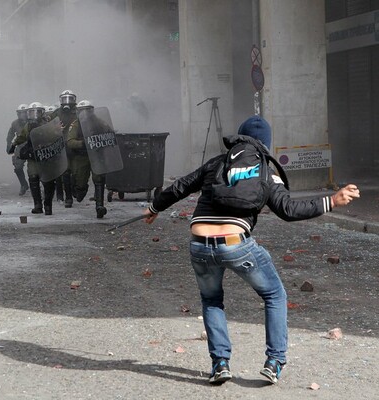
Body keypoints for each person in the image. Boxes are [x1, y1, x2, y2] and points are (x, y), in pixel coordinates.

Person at [143, 115, 360, 385]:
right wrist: (332, 200)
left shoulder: (217, 163)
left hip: (198, 243)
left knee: (212, 300)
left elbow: (179, 187)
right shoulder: (265, 171)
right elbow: (288, 210)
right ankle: (275, 361)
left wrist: (154, 208)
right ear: (266, 144)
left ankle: (220, 364)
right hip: (235, 243)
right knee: (275, 295)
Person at [11, 102, 57, 215]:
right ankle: (37, 205)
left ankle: (48, 205)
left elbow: (56, 136)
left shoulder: (48, 123)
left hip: (46, 156)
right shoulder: (29, 125)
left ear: (42, 112)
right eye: (32, 112)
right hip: (33, 156)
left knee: (48, 181)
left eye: (37, 112)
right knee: (33, 178)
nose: (34, 115)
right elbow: (21, 136)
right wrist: (14, 144)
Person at [69, 99, 108, 219]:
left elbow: (108, 130)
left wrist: (109, 136)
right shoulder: (76, 124)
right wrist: (82, 143)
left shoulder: (98, 122)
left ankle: (99, 207)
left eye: (87, 111)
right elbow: (70, 141)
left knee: (99, 178)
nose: (85, 114)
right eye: (82, 111)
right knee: (80, 183)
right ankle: (79, 189)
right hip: (81, 156)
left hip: (95, 154)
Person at [6, 104, 30, 196]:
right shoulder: (15, 123)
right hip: (20, 147)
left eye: (25, 113)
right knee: (17, 167)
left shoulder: (33, 122)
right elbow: (10, 134)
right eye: (21, 113)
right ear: (18, 114)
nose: (23, 115)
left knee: (36, 169)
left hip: (32, 147)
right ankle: (23, 184)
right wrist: (9, 145)